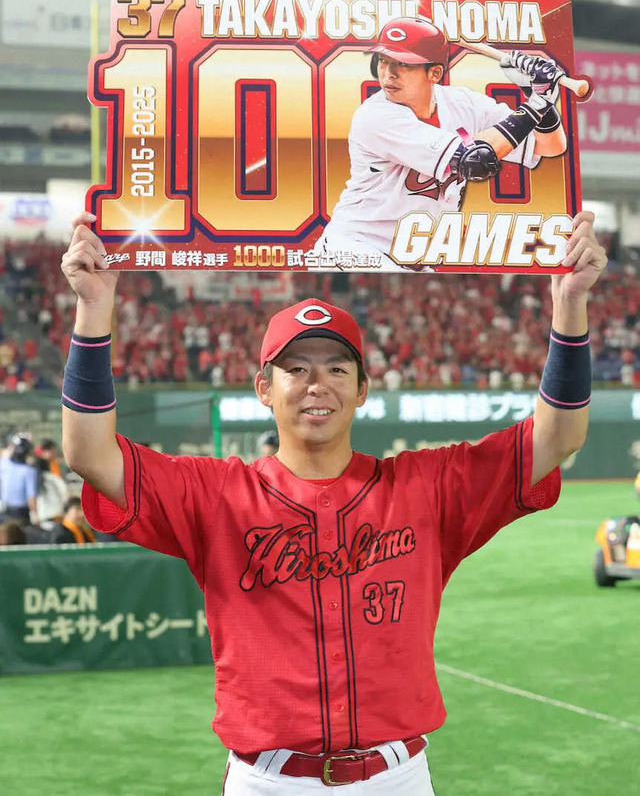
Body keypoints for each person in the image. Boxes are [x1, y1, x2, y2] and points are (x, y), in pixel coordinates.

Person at [60, 209, 606, 794]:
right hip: (268, 781)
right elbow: (90, 453)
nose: (316, 384)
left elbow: (557, 437)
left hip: (396, 777)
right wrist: (94, 309)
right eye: (295, 368)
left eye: (336, 369)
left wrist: (570, 305)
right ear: (264, 388)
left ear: (362, 389)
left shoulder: (425, 487)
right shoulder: (215, 494)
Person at [314, 16, 567, 270]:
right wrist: (536, 104)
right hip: (355, 248)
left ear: (434, 73)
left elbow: (550, 146)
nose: (388, 73)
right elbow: (474, 161)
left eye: (403, 63)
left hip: (411, 260)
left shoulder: (464, 104)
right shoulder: (375, 117)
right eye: (383, 60)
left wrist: (536, 96)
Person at [0, 434, 38, 525]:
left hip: (4, 511)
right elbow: (31, 497)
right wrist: (35, 515)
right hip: (21, 514)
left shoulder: (4, 464)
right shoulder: (29, 471)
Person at [35, 439, 69, 531]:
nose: (55, 453)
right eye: (53, 450)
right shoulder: (39, 468)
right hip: (47, 512)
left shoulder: (53, 464)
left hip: (51, 512)